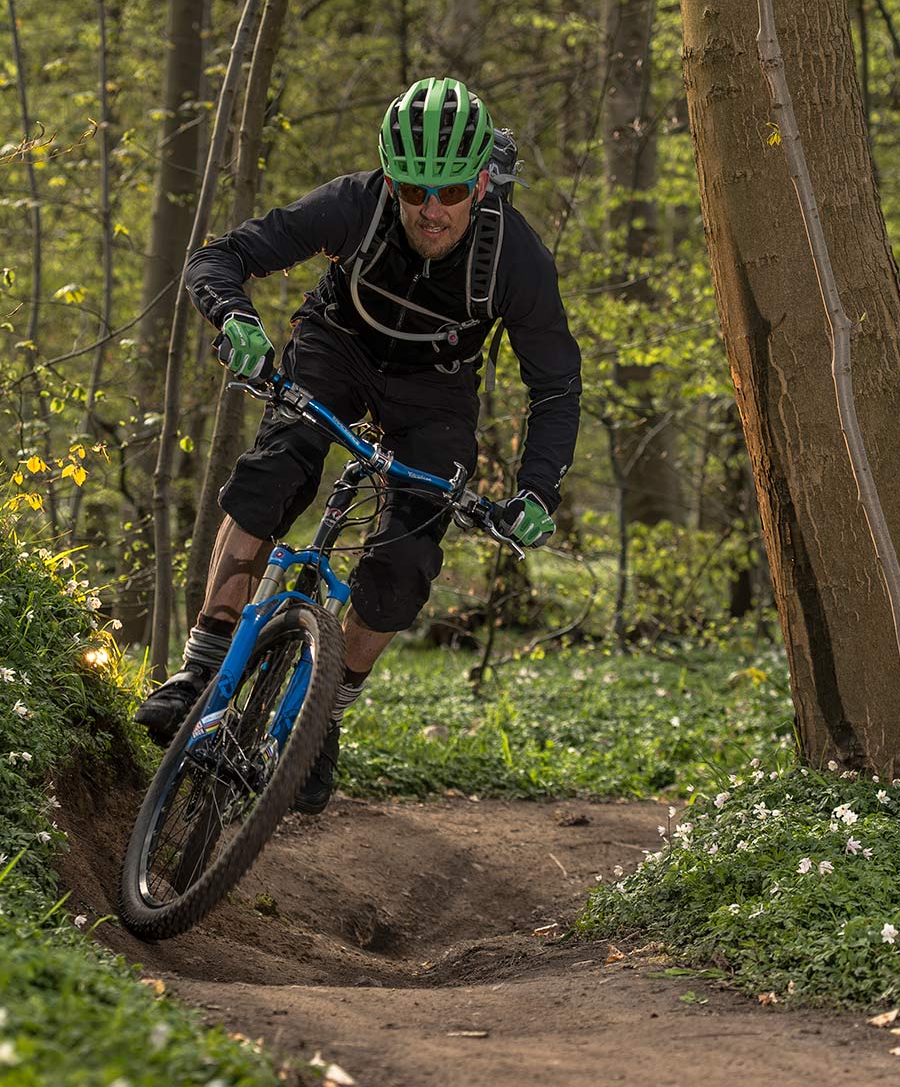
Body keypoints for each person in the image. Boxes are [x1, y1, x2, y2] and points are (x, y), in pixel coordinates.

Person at [135, 76, 582, 814]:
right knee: (277, 465)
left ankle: (322, 720)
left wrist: (537, 488)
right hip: (335, 348)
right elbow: (220, 257)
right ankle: (201, 666)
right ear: (388, 177)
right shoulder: (354, 203)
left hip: (435, 390)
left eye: (446, 193)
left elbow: (557, 386)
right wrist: (235, 322)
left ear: (479, 182)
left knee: (405, 557)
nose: (428, 210)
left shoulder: (518, 260)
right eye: (410, 191)